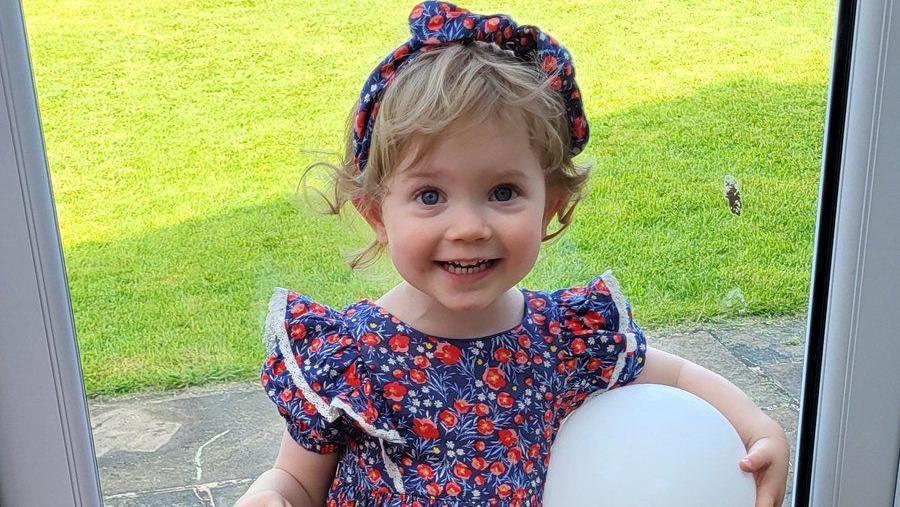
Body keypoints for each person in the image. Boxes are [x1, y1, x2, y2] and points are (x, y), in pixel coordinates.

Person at [235, 2, 790, 506]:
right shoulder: (350, 358)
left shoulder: (561, 339)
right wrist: (271, 497)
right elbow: (298, 480)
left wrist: (758, 427)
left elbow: (675, 375)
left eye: (503, 192)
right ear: (377, 212)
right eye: (430, 196)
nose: (470, 227)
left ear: (551, 202)